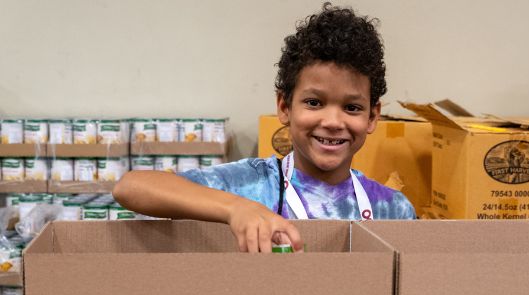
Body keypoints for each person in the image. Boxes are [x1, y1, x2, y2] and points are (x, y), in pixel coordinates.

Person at [114, 3, 416, 253]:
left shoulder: (393, 210)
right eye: (314, 102)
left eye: (352, 108)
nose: (333, 122)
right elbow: (131, 187)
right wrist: (236, 210)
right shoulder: (253, 186)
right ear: (284, 107)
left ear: (373, 117)